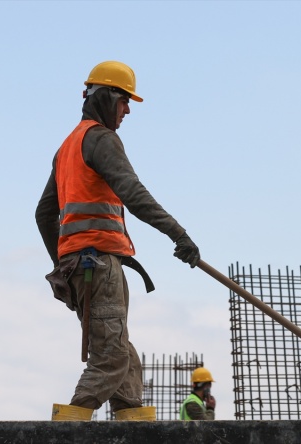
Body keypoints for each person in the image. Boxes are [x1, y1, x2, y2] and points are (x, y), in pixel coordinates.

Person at [35, 60, 200, 421]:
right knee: (110, 357)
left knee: (124, 358)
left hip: (82, 268)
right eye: (124, 101)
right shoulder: (101, 139)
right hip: (98, 266)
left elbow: (43, 214)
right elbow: (133, 193)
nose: (127, 110)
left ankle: (133, 422)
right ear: (106, 97)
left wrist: (61, 264)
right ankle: (66, 427)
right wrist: (179, 234)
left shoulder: (67, 147)